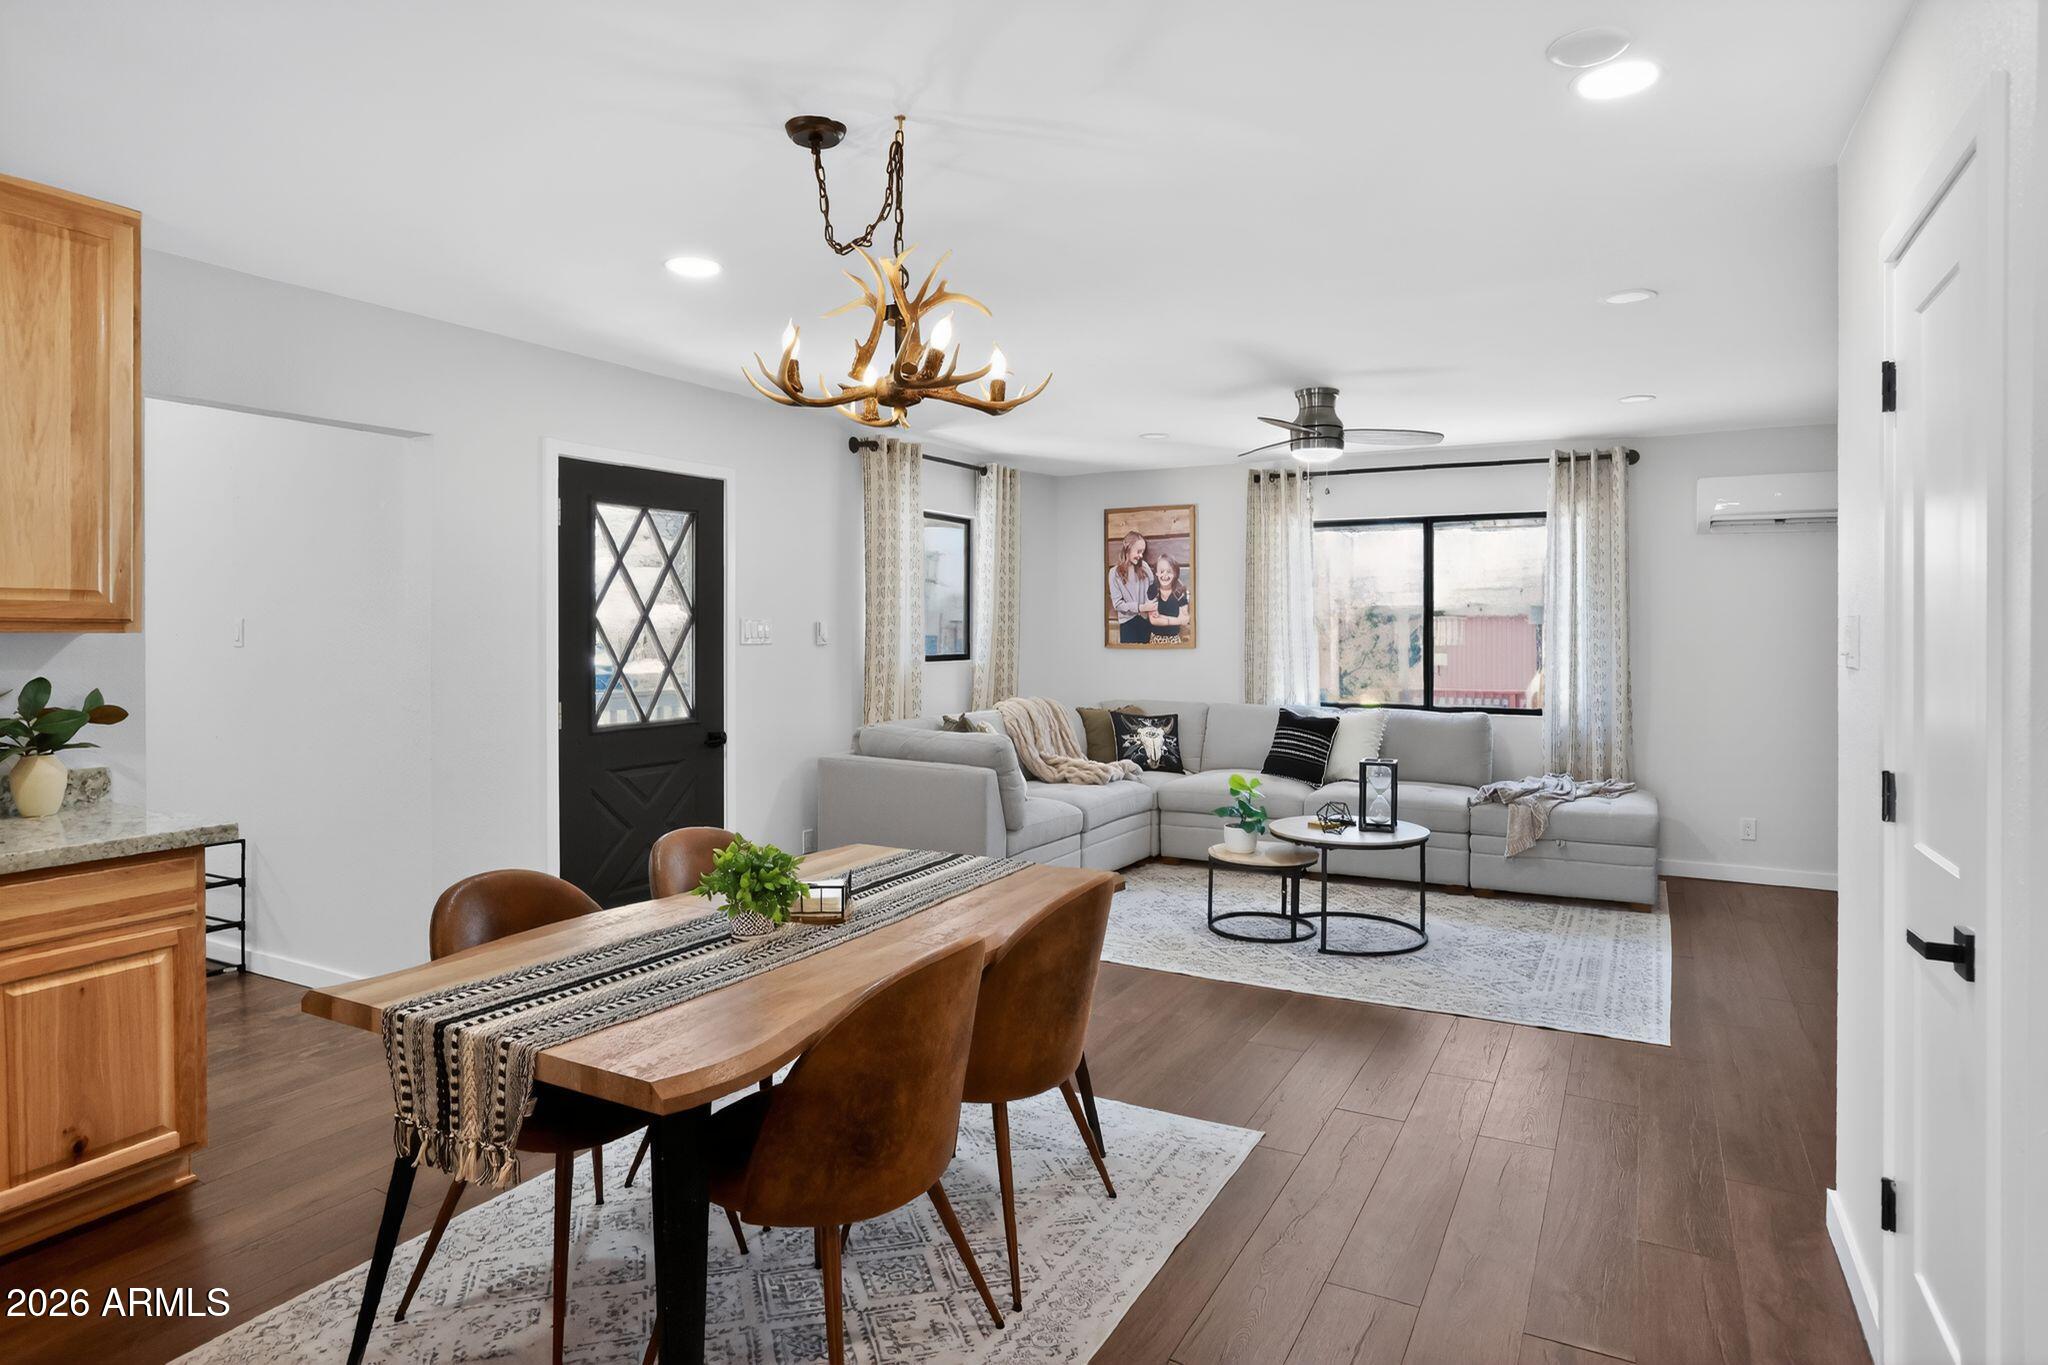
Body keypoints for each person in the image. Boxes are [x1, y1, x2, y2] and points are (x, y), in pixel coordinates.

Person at [1108, 530, 1155, 643]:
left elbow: (1153, 588)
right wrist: (1140, 607)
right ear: (1128, 548)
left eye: (1143, 552)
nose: (1141, 555)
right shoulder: (1114, 573)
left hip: (1145, 621)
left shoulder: (1144, 566)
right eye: (1138, 551)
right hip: (1127, 624)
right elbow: (1118, 604)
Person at [1146, 554, 1190, 641]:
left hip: (1174, 639)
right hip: (1155, 639)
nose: (1165, 575)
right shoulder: (1153, 590)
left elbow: (1185, 620)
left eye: (1169, 571)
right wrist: (1177, 620)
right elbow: (1154, 620)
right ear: (1157, 573)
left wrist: (1162, 617)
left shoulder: (1180, 591)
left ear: (1175, 573)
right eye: (1162, 571)